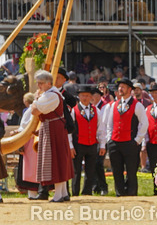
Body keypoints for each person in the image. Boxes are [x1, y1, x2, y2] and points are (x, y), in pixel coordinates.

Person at [27, 71, 74, 203]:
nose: (38, 86)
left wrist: (35, 101)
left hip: (53, 129)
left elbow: (34, 111)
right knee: (59, 159)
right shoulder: (50, 94)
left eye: (41, 83)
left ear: (48, 83)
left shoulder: (51, 95)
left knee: (56, 160)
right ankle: (63, 192)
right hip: (52, 128)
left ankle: (59, 195)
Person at [99, 77, 147, 196]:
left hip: (130, 143)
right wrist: (110, 139)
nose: (120, 89)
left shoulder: (137, 105)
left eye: (123, 87)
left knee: (131, 172)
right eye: (119, 87)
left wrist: (137, 140)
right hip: (115, 142)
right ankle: (119, 194)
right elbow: (109, 124)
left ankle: (131, 194)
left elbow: (144, 123)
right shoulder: (113, 105)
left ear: (130, 89)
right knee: (117, 171)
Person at [71, 85, 102, 196]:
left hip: (92, 144)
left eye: (88, 96)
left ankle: (87, 192)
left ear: (91, 97)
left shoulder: (96, 110)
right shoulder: (74, 111)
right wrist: (70, 146)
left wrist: (102, 145)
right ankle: (75, 192)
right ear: (79, 96)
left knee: (90, 170)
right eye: (83, 95)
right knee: (76, 171)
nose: (85, 98)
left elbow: (100, 129)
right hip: (78, 144)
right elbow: (69, 131)